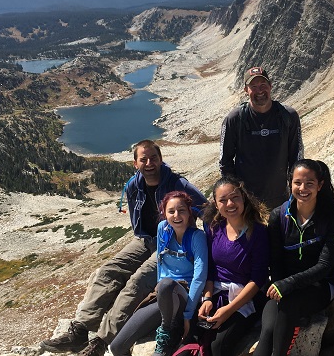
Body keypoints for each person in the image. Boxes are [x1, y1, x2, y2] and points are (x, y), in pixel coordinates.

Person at [40, 140, 208, 356]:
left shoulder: (178, 184)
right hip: (144, 240)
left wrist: (211, 244)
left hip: (169, 242)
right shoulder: (133, 185)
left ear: (161, 159)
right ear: (135, 163)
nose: (149, 163)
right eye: (143, 159)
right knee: (108, 271)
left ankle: (101, 341)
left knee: (137, 282)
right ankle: (80, 330)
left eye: (153, 158)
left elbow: (207, 211)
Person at [253, 159, 334, 356]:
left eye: (310, 183)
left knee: (288, 307)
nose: (303, 188)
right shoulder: (278, 216)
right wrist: (279, 285)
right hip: (284, 285)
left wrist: (288, 284)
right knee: (268, 329)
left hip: (320, 286)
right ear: (290, 183)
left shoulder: (332, 217)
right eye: (297, 183)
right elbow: (275, 259)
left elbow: (325, 265)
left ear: (320, 185)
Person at [110, 191, 208, 356]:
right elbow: (161, 264)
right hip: (163, 295)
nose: (176, 215)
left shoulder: (197, 237)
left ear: (189, 211)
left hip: (185, 296)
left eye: (181, 210)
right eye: (171, 211)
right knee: (117, 347)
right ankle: (167, 322)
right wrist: (159, 291)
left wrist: (188, 315)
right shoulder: (163, 229)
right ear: (164, 213)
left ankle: (167, 332)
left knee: (167, 284)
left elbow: (200, 276)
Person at [197, 176, 270, 356]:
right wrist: (207, 299)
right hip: (216, 292)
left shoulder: (258, 232)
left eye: (234, 197)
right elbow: (211, 268)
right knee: (194, 331)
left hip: (244, 299)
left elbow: (258, 278)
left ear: (243, 197)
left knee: (218, 347)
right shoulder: (214, 227)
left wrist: (228, 311)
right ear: (215, 203)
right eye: (223, 200)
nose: (230, 203)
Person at [219, 66, 304, 209]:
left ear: (270, 86)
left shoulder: (288, 116)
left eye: (263, 85)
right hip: (247, 202)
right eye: (254, 86)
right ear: (246, 90)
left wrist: (295, 191)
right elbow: (225, 162)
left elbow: (297, 156)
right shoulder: (234, 119)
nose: (259, 91)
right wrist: (235, 196)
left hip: (281, 200)